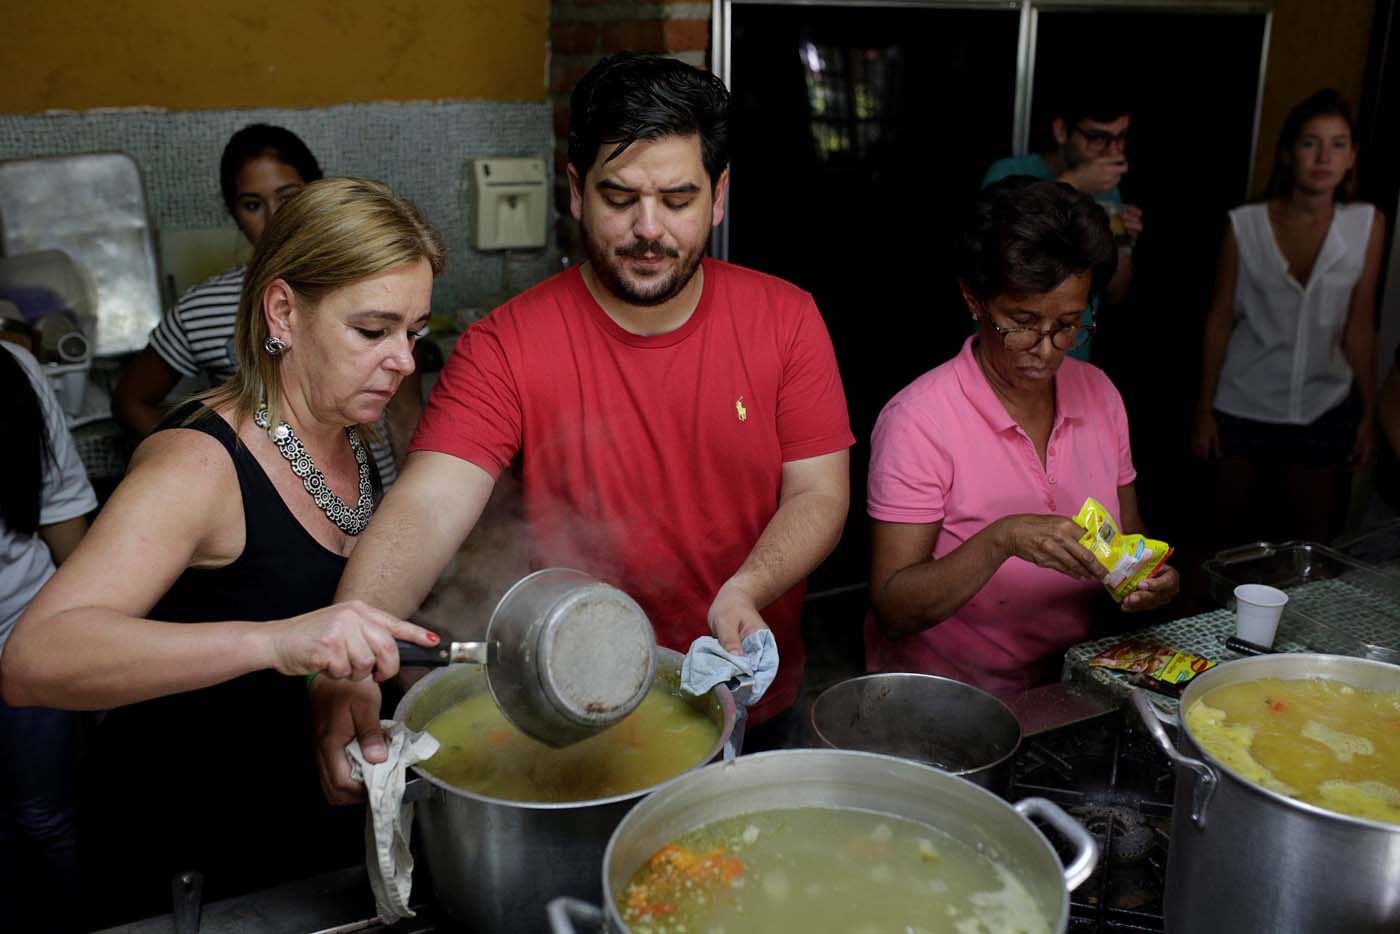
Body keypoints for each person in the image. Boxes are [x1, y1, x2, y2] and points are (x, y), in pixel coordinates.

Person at [310, 52, 854, 803]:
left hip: (754, 701)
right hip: (571, 705)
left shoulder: (786, 320)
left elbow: (819, 494)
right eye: (620, 197)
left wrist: (748, 586)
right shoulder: (506, 344)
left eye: (677, 198)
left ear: (720, 196)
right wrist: (351, 651)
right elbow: (427, 508)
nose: (648, 228)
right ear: (575, 191)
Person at [1, 177, 445, 924]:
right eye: (373, 331)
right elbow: (35, 659)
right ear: (283, 312)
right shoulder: (197, 465)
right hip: (189, 851)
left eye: (415, 331)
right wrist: (276, 641)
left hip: (297, 833)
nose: (403, 360)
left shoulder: (359, 435)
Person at [865, 177, 1179, 696]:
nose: (1049, 349)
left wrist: (1153, 580)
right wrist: (1002, 539)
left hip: (1066, 682)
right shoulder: (920, 421)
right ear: (974, 299)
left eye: (1070, 324)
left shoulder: (1100, 395)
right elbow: (895, 608)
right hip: (945, 696)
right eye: (1024, 322)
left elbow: (1131, 539)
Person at [112, 123, 416, 490]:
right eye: (252, 204)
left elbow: (405, 406)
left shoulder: (375, 288)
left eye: (288, 197)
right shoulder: (200, 309)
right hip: (262, 505)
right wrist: (209, 462)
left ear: (316, 194)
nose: (274, 217)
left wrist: (410, 490)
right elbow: (131, 401)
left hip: (371, 488)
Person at [1190, 89, 1384, 546]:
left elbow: (1360, 324)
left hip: (1323, 402)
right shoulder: (1245, 225)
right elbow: (1218, 320)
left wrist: (1369, 414)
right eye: (1310, 142)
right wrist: (1203, 411)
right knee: (1224, 539)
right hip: (1244, 399)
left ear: (1352, 156)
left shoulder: (1367, 224)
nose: (1323, 157)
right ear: (1287, 152)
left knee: (1308, 542)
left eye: (1338, 144)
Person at [0, 342, 95, 933]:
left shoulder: (14, 368)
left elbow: (61, 511)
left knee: (44, 817)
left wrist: (95, 642)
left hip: (24, 635)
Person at [983, 85, 1143, 359]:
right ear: (1061, 131)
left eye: (1120, 138)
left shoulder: (1107, 190)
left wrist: (1124, 245)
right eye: (1097, 138)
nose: (1111, 151)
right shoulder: (1009, 173)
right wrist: (1072, 186)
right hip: (1010, 354)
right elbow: (990, 266)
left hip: (1071, 357)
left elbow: (1116, 291)